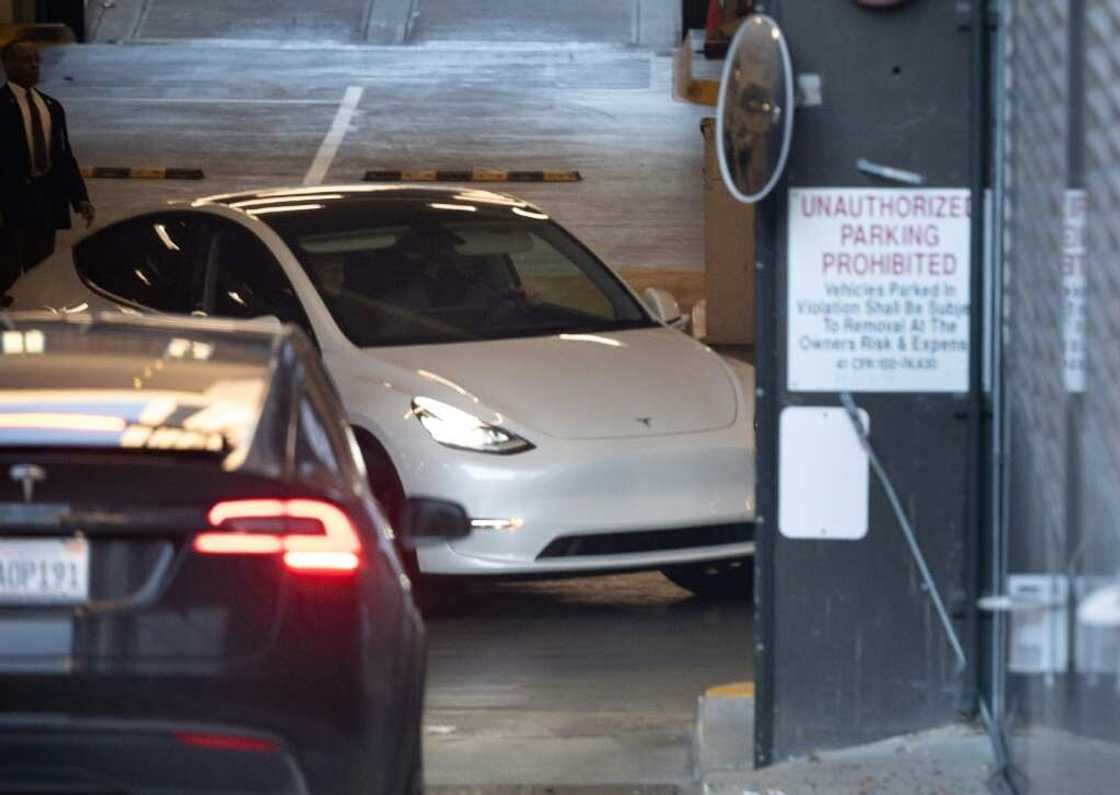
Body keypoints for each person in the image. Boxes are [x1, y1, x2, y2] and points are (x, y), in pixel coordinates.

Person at [1, 37, 94, 292]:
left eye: (36, 60)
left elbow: (64, 156)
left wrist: (79, 198)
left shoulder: (52, 107)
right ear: (7, 65)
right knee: (7, 271)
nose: (33, 66)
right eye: (25, 60)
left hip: (46, 202)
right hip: (10, 204)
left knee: (40, 271)